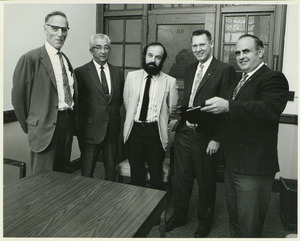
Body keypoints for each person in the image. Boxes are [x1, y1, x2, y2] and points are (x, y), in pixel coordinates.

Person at [201, 34, 289, 237]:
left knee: (250, 223)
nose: (241, 56)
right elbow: (231, 116)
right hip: (233, 163)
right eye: (238, 52)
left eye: (246, 51)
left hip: (254, 167)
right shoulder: (239, 81)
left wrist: (228, 105)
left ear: (260, 52)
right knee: (235, 218)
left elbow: (268, 109)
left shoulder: (273, 78)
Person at [166, 29, 237, 237]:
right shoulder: (189, 69)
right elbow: (189, 100)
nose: (198, 49)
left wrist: (216, 138)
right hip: (184, 134)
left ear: (211, 44)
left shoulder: (225, 70)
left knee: (206, 181)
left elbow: (225, 109)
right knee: (181, 178)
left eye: (202, 45)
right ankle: (179, 216)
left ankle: (204, 222)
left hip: (207, 137)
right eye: (194, 45)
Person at [12, 11, 77, 174]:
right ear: (45, 29)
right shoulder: (30, 58)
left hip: (66, 124)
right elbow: (19, 99)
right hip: (43, 129)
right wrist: (33, 126)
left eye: (64, 29)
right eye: (55, 28)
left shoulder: (65, 59)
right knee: (42, 181)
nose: (60, 34)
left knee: (62, 176)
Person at [123, 42, 178, 190]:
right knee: (137, 174)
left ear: (162, 60)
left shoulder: (170, 82)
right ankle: (138, 210)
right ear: (144, 56)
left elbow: (171, 109)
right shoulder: (131, 77)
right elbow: (128, 102)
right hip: (134, 131)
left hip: (155, 132)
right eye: (150, 55)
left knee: (156, 175)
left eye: (158, 57)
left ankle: (156, 210)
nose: (153, 60)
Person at [75, 34, 124, 181]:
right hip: (90, 130)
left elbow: (119, 100)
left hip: (112, 130)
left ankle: (109, 202)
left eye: (106, 47)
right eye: (98, 47)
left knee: (111, 172)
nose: (103, 51)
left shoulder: (118, 73)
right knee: (87, 172)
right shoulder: (80, 72)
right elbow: (77, 104)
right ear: (91, 51)